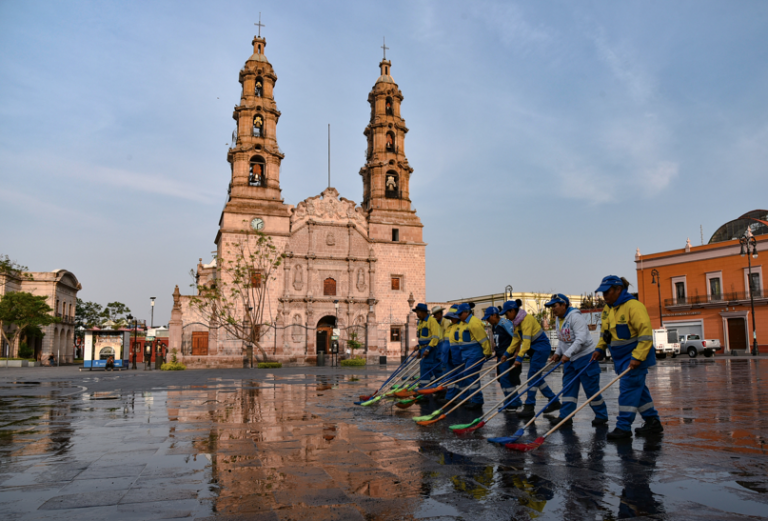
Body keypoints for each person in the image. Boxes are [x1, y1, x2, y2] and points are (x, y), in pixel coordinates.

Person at [591, 275, 663, 440]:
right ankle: (653, 422)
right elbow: (606, 334)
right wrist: (600, 348)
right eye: (602, 293)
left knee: (628, 391)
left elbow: (645, 336)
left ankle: (623, 427)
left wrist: (637, 357)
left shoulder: (634, 307)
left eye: (607, 292)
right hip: (620, 358)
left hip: (635, 357)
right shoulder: (608, 309)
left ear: (618, 289)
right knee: (639, 391)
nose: (604, 296)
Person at [545, 294, 608, 427]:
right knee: (568, 389)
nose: (553, 309)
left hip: (585, 357)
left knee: (591, 390)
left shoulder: (575, 317)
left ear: (564, 305)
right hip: (570, 359)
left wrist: (567, 354)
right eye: (551, 307)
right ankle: (565, 417)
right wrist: (558, 353)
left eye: (555, 306)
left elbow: (581, 339)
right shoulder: (558, 319)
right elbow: (563, 340)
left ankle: (601, 416)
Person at [500, 299, 560, 419]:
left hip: (541, 349)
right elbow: (516, 340)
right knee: (537, 378)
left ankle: (529, 407)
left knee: (532, 377)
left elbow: (526, 344)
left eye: (507, 313)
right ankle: (554, 401)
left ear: (512, 311)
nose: (506, 316)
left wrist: (519, 359)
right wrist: (506, 354)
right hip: (536, 350)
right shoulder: (517, 323)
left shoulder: (526, 320)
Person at [482, 306, 522, 411]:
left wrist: (517, 351)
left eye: (488, 318)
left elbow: (516, 337)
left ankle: (513, 402)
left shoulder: (505, 324)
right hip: (501, 356)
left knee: (506, 379)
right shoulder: (494, 326)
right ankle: (511, 400)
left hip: (508, 356)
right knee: (502, 379)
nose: (487, 320)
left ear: (494, 315)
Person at [454, 302, 492, 410]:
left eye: (460, 314)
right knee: (470, 376)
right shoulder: (463, 323)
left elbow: (484, 339)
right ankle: (473, 399)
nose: (459, 316)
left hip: (475, 354)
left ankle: (477, 400)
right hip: (467, 355)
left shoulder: (474, 323)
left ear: (466, 312)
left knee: (470, 375)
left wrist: (487, 352)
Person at [413, 303, 442, 387]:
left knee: (426, 368)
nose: (417, 315)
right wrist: (419, 348)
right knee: (429, 369)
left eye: (418, 312)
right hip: (423, 349)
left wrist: (428, 349)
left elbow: (435, 338)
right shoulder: (420, 323)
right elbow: (422, 339)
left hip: (431, 350)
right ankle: (431, 387)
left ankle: (425, 388)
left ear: (423, 312)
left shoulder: (432, 321)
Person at [441, 306, 463, 403]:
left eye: (452, 317)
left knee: (460, 377)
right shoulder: (450, 327)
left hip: (458, 356)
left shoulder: (461, 326)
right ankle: (449, 397)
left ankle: (460, 397)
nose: (451, 319)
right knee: (450, 377)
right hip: (448, 355)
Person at [431, 305, 450, 381]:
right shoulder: (436, 322)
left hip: (444, 346)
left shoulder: (446, 322)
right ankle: (439, 381)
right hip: (437, 347)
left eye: (435, 315)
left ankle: (444, 382)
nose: (434, 317)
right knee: (436, 366)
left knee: (443, 366)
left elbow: (447, 337)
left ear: (439, 314)